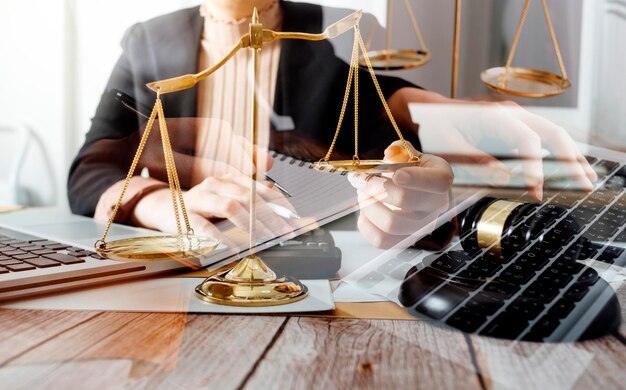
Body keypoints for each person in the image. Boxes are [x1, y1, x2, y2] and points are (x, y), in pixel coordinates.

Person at [68, 0, 594, 249]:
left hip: (317, 257)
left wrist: (425, 107)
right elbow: (91, 171)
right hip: (186, 263)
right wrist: (163, 205)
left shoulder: (339, 28)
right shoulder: (146, 40)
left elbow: (370, 93)